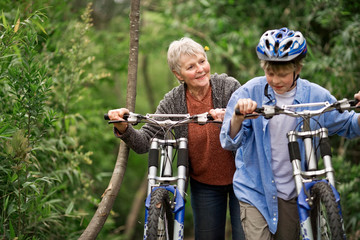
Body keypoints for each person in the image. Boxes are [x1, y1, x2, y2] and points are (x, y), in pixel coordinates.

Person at [220, 27, 360, 240]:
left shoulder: (315, 95)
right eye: (270, 73)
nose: (275, 80)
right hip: (256, 190)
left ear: (298, 69)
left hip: (294, 193)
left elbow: (350, 125)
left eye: (283, 74)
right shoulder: (249, 92)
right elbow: (228, 141)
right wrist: (238, 116)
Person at [107, 37, 245, 240]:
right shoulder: (172, 102)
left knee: (245, 236)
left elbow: (250, 126)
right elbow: (144, 142)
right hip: (205, 184)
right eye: (191, 66)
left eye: (202, 61)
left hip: (241, 179)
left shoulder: (228, 87)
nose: (200, 69)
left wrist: (232, 117)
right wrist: (122, 126)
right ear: (178, 74)